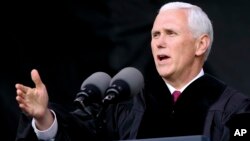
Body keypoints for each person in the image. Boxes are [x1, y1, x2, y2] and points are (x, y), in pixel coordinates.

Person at [15, 1, 250, 141]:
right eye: (155, 35)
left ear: (201, 44)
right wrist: (44, 117)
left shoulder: (235, 109)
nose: (159, 42)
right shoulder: (125, 106)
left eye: (171, 33)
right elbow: (80, 134)